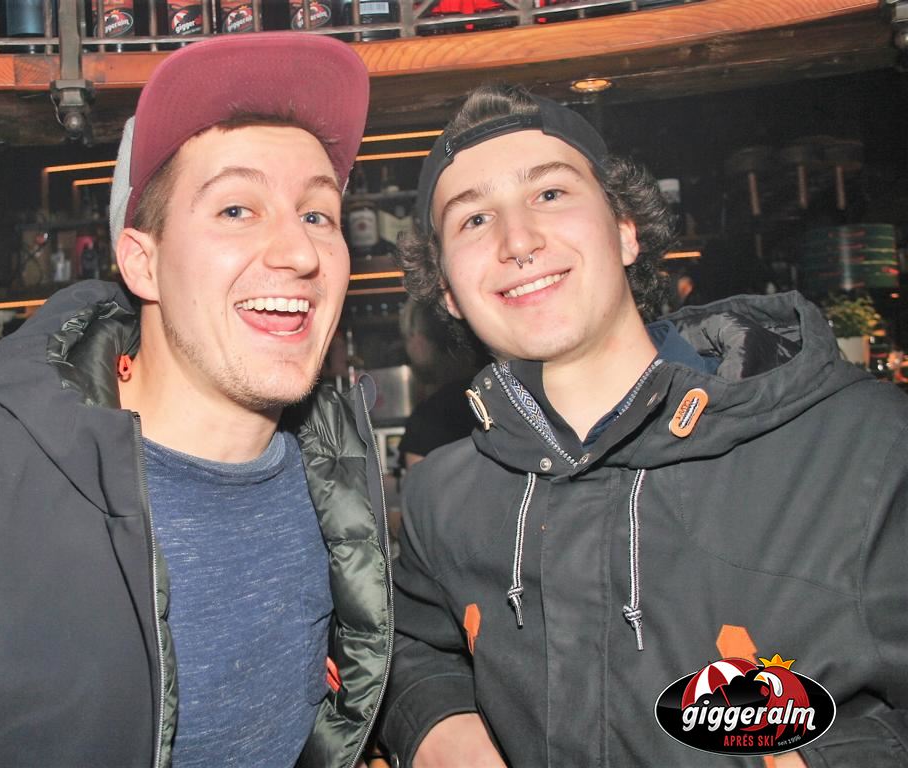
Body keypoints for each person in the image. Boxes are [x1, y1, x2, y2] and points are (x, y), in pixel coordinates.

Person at [0, 33, 392, 768]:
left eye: (317, 215)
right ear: (142, 263)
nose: (301, 253)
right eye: (236, 210)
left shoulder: (338, 480)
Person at [377, 83, 908, 767]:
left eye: (550, 193)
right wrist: (439, 727)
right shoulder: (445, 498)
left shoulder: (863, 448)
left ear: (626, 229)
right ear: (448, 290)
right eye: (473, 219)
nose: (518, 240)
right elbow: (408, 646)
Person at [396, 298, 484, 470]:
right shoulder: (501, 392)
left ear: (418, 341)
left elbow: (419, 483)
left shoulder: (429, 418)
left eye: (407, 338)